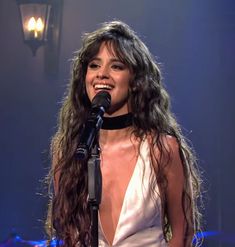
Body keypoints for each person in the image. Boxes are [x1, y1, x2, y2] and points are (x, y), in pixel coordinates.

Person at [46, 20, 202, 247]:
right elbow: (69, 234)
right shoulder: (69, 150)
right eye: (94, 65)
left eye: (116, 66)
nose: (102, 75)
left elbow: (183, 233)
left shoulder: (162, 148)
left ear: (136, 80)